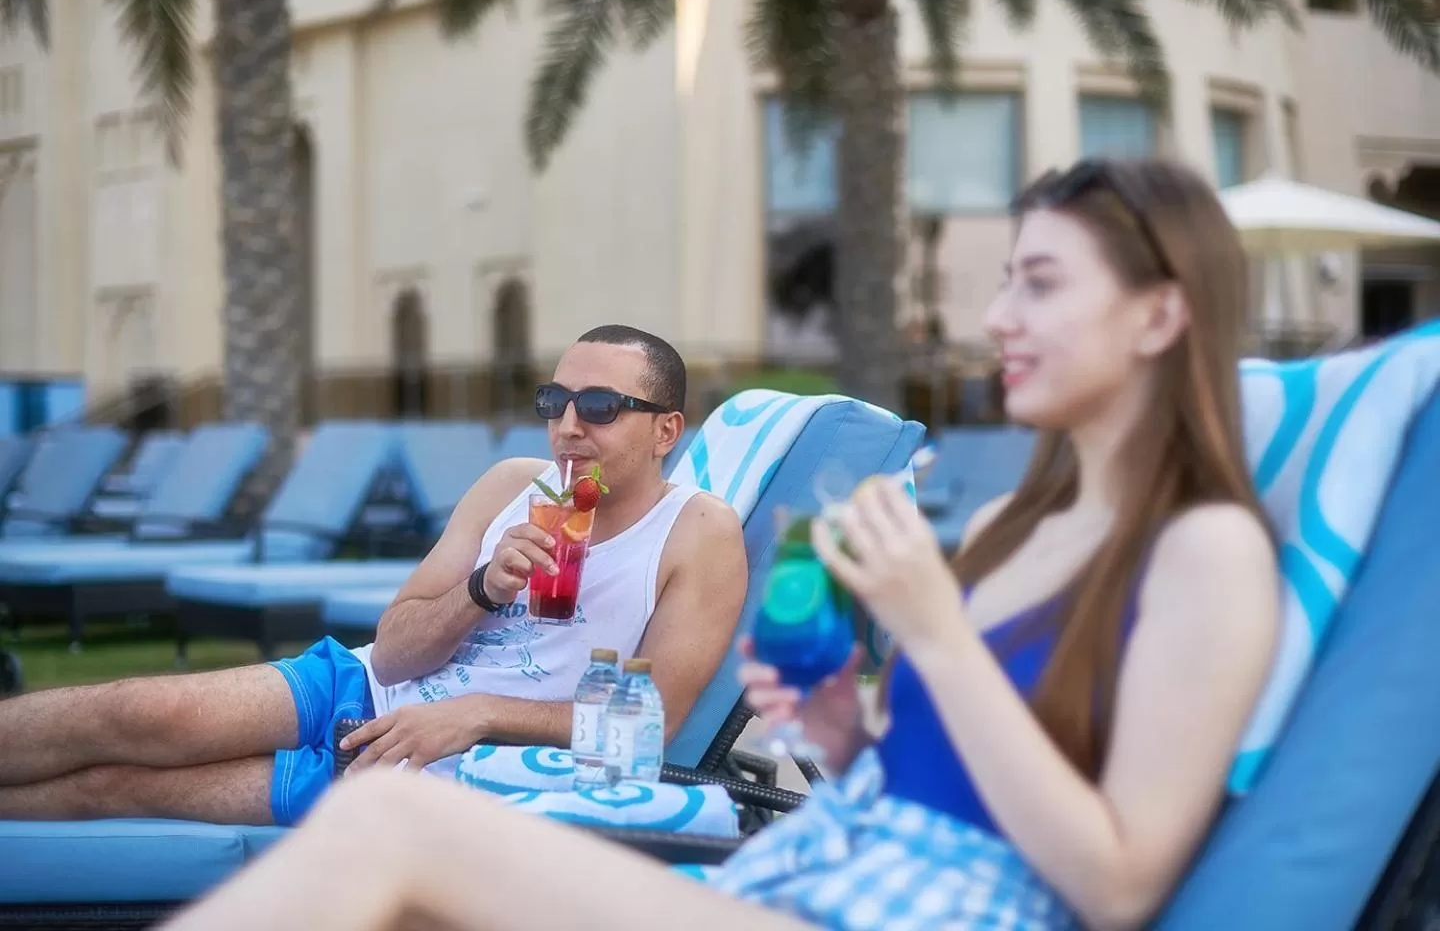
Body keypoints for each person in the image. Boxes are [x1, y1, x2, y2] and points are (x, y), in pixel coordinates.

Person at [160, 157, 1281, 931]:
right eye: (1004, 285)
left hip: (915, 912)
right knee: (395, 845)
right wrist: (843, 729)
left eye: (1040, 285)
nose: (998, 321)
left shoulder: (1208, 552)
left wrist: (933, 633)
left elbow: (1125, 886)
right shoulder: (1009, 527)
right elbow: (943, 774)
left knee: (399, 828)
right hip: (818, 871)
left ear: (1159, 315)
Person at [0, 325, 748, 827]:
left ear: (665, 430)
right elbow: (393, 651)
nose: (568, 426)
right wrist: (483, 587)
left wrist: (479, 712)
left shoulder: (699, 533)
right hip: (361, 686)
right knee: (132, 714)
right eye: (555, 402)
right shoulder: (513, 485)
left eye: (601, 407)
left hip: (440, 766)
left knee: (118, 789)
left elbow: (652, 726)